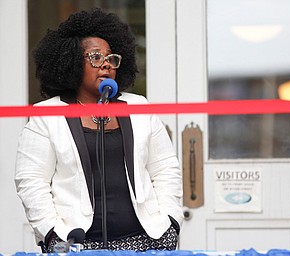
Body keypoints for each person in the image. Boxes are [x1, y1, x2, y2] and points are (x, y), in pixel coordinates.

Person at [15, 8, 183, 253]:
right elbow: (31, 182)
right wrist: (52, 235)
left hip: (146, 242)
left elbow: (165, 168)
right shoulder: (46, 115)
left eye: (111, 58)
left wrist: (171, 224)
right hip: (77, 245)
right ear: (72, 61)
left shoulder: (139, 107)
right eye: (95, 57)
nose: (106, 64)